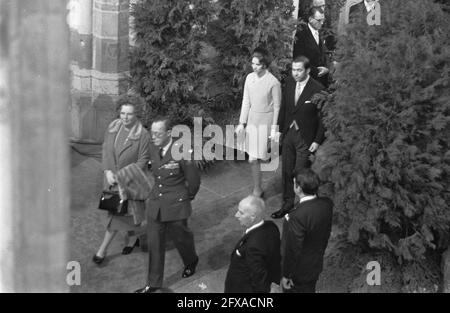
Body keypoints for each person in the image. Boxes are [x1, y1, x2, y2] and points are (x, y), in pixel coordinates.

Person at [135, 116, 201, 293]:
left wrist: (186, 197)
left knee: (182, 238)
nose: (154, 136)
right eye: (152, 133)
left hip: (176, 204)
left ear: (169, 133)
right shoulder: (152, 146)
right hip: (156, 203)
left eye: (158, 133)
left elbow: (193, 180)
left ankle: (191, 260)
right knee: (155, 243)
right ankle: (153, 283)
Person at [93, 95, 151, 264]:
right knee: (127, 215)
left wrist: (121, 176)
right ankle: (135, 238)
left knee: (117, 217)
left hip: (129, 183)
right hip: (111, 180)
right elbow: (105, 150)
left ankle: (102, 251)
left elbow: (142, 161)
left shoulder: (143, 135)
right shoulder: (113, 127)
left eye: (130, 114)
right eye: (122, 113)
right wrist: (106, 171)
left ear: (137, 114)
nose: (125, 117)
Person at [271, 56, 324, 219]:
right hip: (288, 134)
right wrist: (279, 130)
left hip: (306, 138)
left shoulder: (318, 88)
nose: (295, 73)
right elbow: (284, 108)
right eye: (293, 69)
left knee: (300, 173)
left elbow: (322, 118)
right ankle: (287, 204)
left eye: (299, 70)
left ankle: (302, 208)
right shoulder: (288, 83)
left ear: (307, 70)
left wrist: (317, 140)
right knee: (286, 171)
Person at [235, 48, 282, 198]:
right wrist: (242, 122)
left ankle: (257, 189)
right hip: (252, 120)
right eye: (252, 63)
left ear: (265, 64)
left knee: (255, 158)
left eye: (257, 64)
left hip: (266, 121)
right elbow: (246, 101)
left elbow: (277, 106)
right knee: (253, 157)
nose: (253, 67)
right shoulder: (249, 78)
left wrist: (274, 129)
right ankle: (258, 187)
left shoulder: (273, 82)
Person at [281, 168, 333, 293]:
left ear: (298, 188)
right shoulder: (327, 204)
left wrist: (287, 275)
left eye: (294, 183)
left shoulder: (296, 216)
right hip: (315, 262)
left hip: (299, 272)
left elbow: (293, 249)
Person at [224, 196, 281, 293]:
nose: (236, 215)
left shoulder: (252, 246)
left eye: (241, 213)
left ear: (253, 216)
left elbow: (258, 276)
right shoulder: (272, 226)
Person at [293, 7, 330, 87]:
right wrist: (317, 71)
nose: (322, 23)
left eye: (323, 20)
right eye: (319, 20)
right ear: (310, 19)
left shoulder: (320, 33)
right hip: (308, 81)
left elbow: (323, 54)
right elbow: (299, 59)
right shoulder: (301, 35)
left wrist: (327, 68)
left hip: (322, 82)